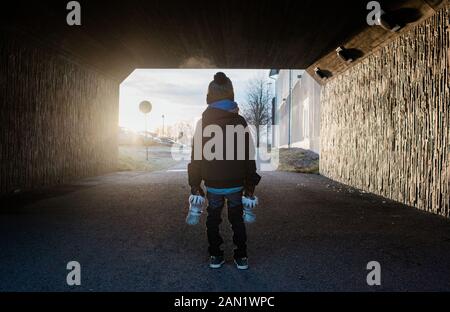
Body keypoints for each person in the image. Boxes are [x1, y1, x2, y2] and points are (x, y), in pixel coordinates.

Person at [188, 72, 261, 270]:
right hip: (236, 183)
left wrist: (195, 184)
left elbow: (196, 157)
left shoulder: (202, 123)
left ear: (209, 96)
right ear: (231, 94)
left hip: (213, 184)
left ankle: (215, 255)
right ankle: (242, 257)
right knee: (237, 219)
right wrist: (250, 184)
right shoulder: (240, 122)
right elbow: (248, 155)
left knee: (213, 219)